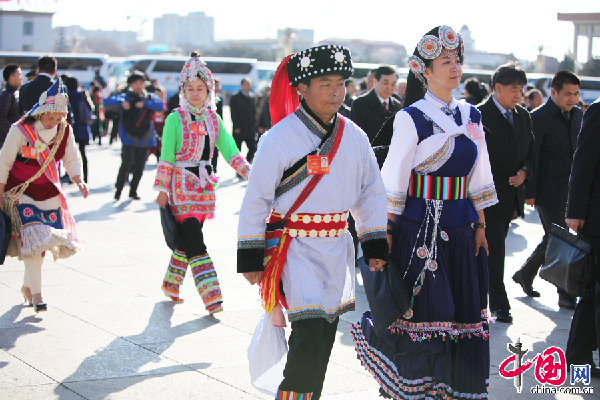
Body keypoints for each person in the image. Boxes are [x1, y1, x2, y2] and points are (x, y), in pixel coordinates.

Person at [351, 25, 496, 399]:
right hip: (421, 229)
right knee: (429, 314)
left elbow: (479, 174)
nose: (454, 67)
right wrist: (383, 231)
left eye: (457, 60)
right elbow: (394, 179)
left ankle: (450, 388)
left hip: (462, 226)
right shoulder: (411, 117)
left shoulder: (472, 116)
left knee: (462, 314)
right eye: (444, 61)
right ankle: (415, 388)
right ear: (424, 71)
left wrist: (481, 224)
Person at [237, 45, 387, 399]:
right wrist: (250, 255)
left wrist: (375, 243)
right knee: (309, 331)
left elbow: (371, 192)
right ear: (301, 89)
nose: (337, 91)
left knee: (324, 336)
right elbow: (256, 199)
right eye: (325, 83)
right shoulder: (278, 138)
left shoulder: (355, 136)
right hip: (296, 247)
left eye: (341, 83)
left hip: (338, 245)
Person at [154, 53, 251, 314]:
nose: (195, 93)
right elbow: (166, 156)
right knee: (196, 241)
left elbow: (230, 151)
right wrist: (162, 189)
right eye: (190, 89)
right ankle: (212, 297)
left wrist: (249, 174)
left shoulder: (213, 118)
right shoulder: (175, 118)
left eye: (200, 89)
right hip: (180, 187)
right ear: (183, 90)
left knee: (187, 240)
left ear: (209, 90)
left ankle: (170, 284)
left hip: (205, 188)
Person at [0, 78, 89, 312]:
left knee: (38, 246)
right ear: (40, 112)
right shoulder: (19, 130)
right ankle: (38, 296)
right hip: (21, 192)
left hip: (50, 193)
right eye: (51, 116)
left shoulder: (64, 130)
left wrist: (79, 180)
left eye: (59, 116)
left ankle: (28, 287)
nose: (54, 121)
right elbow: (4, 163)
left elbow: (72, 158)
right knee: (33, 239)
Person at [514, 71, 582, 308]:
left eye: (576, 93)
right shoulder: (539, 117)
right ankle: (566, 293)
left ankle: (525, 274)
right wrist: (530, 192)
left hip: (570, 189)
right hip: (547, 189)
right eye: (567, 94)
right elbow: (532, 156)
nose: (572, 98)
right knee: (560, 239)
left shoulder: (577, 115)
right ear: (553, 93)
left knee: (554, 238)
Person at [478, 62, 536, 323]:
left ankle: (485, 299)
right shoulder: (478, 115)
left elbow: (531, 150)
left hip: (511, 197)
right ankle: (499, 304)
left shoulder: (523, 115)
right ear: (497, 88)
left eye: (521, 89)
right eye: (513, 89)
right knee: (494, 252)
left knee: (492, 250)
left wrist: (525, 171)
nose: (518, 94)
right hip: (487, 198)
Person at [565, 96, 600, 378]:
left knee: (592, 293)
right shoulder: (599, 110)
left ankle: (578, 355)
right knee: (592, 290)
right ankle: (578, 356)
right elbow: (583, 162)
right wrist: (574, 211)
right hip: (597, 219)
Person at [104, 71, 164, 201]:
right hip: (128, 137)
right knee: (126, 164)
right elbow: (107, 102)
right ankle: (118, 190)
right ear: (130, 84)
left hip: (145, 137)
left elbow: (160, 105)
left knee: (140, 166)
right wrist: (121, 103)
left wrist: (145, 104)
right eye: (135, 83)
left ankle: (133, 191)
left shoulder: (149, 97)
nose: (138, 86)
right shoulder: (125, 97)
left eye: (141, 83)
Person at [350, 65, 401, 142]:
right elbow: (355, 136)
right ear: (375, 82)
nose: (389, 88)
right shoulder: (360, 104)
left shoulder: (397, 106)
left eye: (393, 84)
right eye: (386, 83)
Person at [64, 76, 93, 183]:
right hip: (82, 127)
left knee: (69, 154)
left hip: (70, 127)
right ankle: (85, 177)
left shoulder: (66, 96)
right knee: (82, 153)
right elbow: (90, 108)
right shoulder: (82, 94)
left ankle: (70, 176)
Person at [230, 78, 257, 165]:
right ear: (241, 85)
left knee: (253, 148)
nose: (247, 86)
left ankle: (246, 165)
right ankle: (238, 168)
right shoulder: (235, 97)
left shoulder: (253, 97)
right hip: (239, 129)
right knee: (238, 151)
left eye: (249, 84)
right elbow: (233, 113)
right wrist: (236, 126)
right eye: (246, 84)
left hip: (250, 129)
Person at [0, 64, 22, 146]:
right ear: (11, 78)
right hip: (5, 141)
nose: (21, 77)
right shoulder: (6, 95)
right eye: (19, 74)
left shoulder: (15, 93)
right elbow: (1, 119)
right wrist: (14, 132)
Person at [211, 78, 224, 174]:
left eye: (218, 85)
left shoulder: (220, 98)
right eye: (215, 85)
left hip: (217, 127)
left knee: (216, 151)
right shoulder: (206, 98)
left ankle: (214, 170)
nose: (217, 87)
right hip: (207, 127)